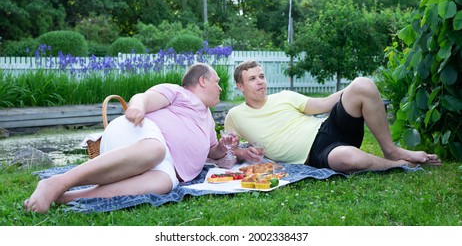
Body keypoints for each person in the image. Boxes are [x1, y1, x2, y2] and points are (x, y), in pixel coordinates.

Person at [24, 63, 234, 213]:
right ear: (203, 81)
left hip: (164, 165)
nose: (220, 88)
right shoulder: (178, 92)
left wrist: (222, 147)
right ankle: (57, 182)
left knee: (166, 183)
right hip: (138, 133)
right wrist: (137, 108)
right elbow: (143, 97)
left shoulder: (207, 117)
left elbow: (210, 152)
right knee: (155, 149)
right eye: (217, 82)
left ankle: (65, 196)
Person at [224, 60, 441, 173]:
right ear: (240, 86)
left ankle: (391, 151)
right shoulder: (235, 116)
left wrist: (358, 91)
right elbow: (227, 151)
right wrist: (242, 152)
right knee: (350, 158)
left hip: (329, 127)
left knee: (363, 84)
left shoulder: (285, 96)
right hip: (318, 153)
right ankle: (400, 165)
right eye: (252, 79)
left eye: (261, 76)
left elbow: (325, 103)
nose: (260, 81)